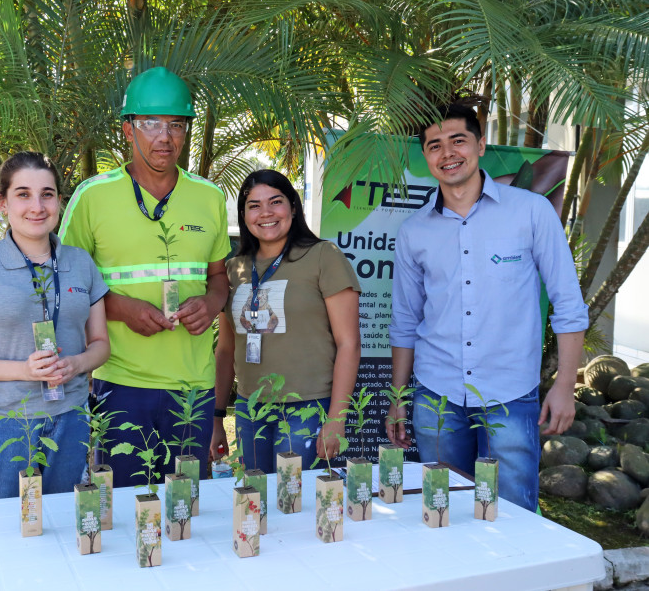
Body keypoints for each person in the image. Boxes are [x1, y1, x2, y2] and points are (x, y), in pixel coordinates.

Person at [386, 103, 588, 512]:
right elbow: (406, 320)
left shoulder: (530, 212)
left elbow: (567, 302)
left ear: (480, 145)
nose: (448, 153)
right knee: (443, 513)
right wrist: (397, 397)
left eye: (458, 140)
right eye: (434, 145)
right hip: (436, 394)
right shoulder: (414, 231)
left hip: (510, 392)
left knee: (513, 516)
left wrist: (565, 385)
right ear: (425, 157)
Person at [59, 66, 230, 486]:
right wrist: (120, 309)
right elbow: (64, 283)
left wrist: (209, 304)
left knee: (189, 511)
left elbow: (220, 278)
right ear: (127, 129)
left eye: (176, 124)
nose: (164, 137)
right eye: (151, 123)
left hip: (193, 385)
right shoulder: (92, 197)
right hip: (121, 382)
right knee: (123, 506)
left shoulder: (209, 198)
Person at [0, 152, 110, 500]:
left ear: (59, 202)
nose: (37, 206)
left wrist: (76, 364)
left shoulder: (80, 262)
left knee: (65, 527)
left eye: (47, 194)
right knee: (4, 531)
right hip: (3, 422)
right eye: (23, 194)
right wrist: (25, 370)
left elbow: (101, 344)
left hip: (71, 416)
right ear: (2, 203)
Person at [211, 169, 362, 473]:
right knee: (257, 498)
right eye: (254, 205)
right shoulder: (233, 269)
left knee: (295, 503)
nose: (265, 213)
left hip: (307, 407)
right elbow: (226, 350)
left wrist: (336, 419)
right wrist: (216, 418)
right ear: (244, 215)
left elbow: (349, 343)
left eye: (275, 202)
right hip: (249, 407)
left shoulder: (323, 256)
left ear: (293, 207)